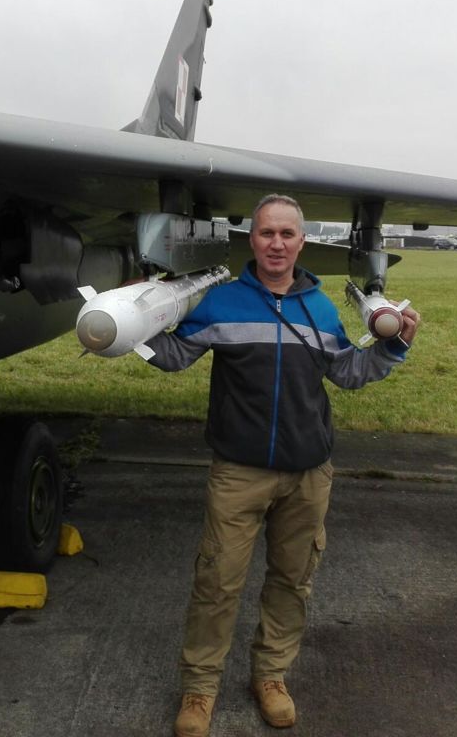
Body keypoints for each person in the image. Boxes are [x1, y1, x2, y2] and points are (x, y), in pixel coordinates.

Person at [144, 194, 421, 736]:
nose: (276, 243)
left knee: (293, 582)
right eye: (266, 233)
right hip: (238, 473)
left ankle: (270, 677)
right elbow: (175, 357)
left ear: (301, 241)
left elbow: (348, 373)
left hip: (308, 474)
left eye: (286, 234)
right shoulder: (221, 303)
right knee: (217, 583)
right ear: (252, 240)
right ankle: (200, 689)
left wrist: (392, 349)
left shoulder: (320, 309)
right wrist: (129, 326)